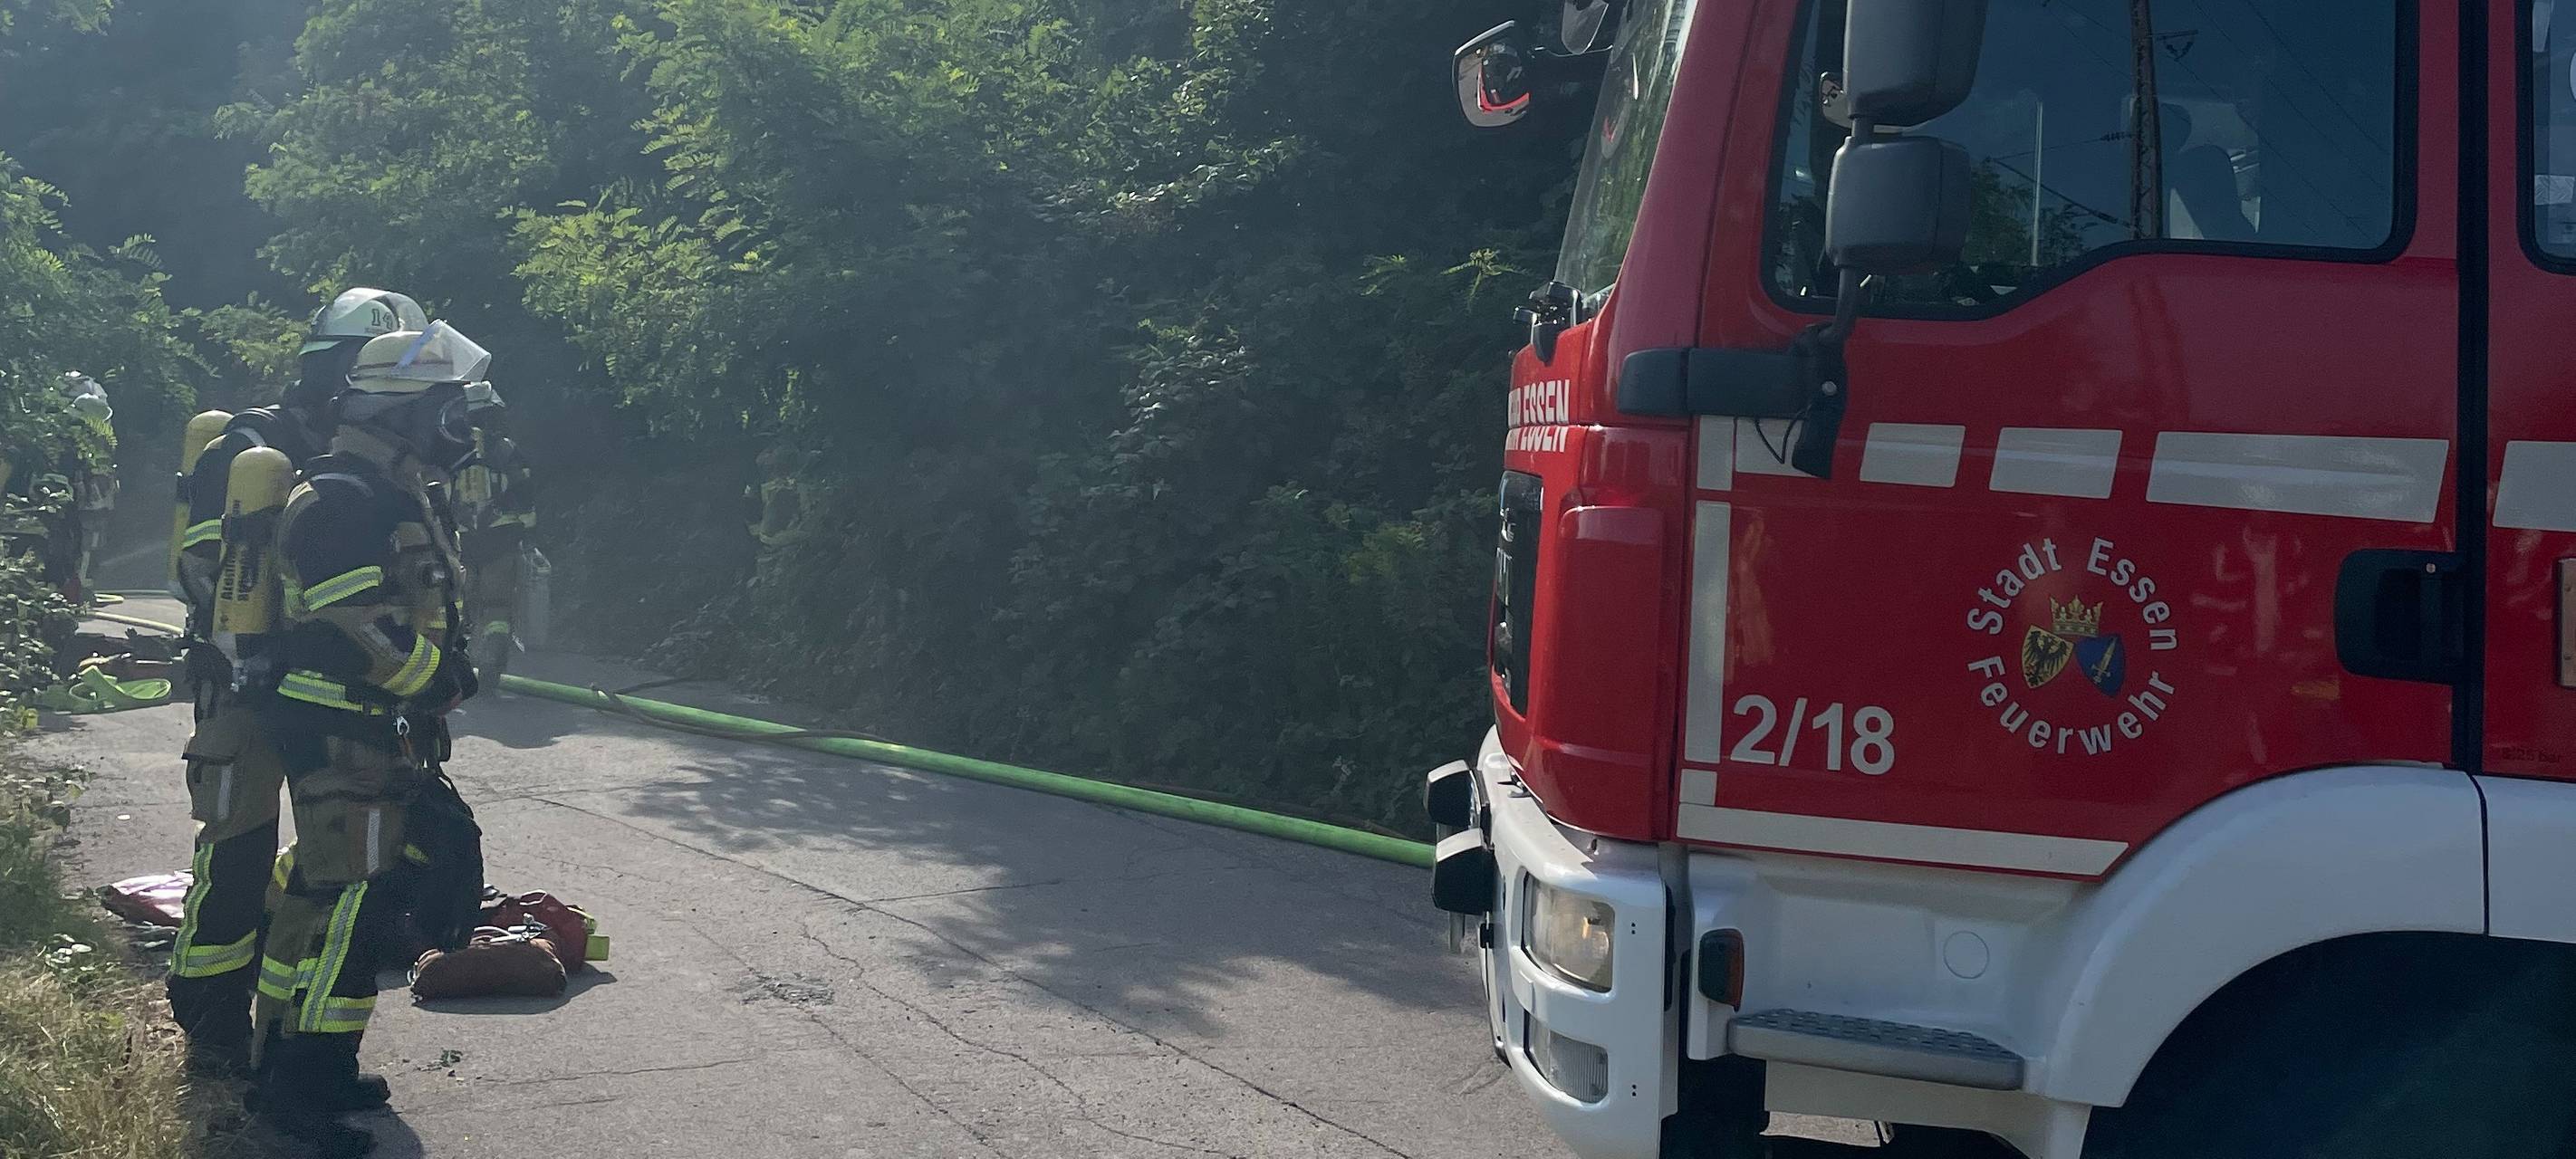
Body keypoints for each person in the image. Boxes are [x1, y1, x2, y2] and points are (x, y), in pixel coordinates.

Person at [164, 289, 427, 1079]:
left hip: (332, 694)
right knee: (238, 851)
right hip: (243, 686)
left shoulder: (364, 455)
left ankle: (284, 1036)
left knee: (331, 859)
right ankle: (210, 1022)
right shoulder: (251, 446)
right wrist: (267, 640)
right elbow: (204, 567)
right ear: (334, 365)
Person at [246, 321, 485, 1155]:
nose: (460, 427)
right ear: (400, 413)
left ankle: (302, 1062)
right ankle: (298, 1092)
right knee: (348, 904)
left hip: (368, 729)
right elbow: (360, 631)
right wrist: (439, 682)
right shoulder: (343, 498)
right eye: (446, 409)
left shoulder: (388, 490)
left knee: (332, 894)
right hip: (339, 726)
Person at [452, 382, 534, 685]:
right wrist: (526, 533)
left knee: (457, 604)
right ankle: (492, 661)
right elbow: (525, 493)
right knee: (496, 604)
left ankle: (453, 664)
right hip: (500, 541)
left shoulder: (447, 450)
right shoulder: (507, 450)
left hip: (458, 542)